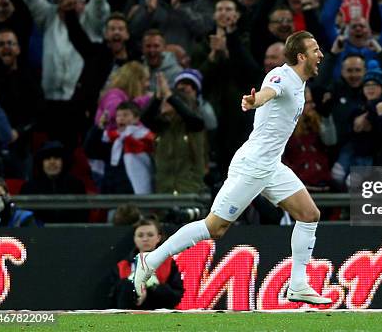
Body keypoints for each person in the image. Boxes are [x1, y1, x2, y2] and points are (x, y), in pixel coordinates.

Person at [133, 31, 332, 305]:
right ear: (301, 56)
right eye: (315, 50)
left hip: (271, 165)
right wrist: (255, 100)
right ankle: (150, 260)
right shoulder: (282, 77)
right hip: (253, 166)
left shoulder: (299, 82)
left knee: (309, 215)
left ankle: (298, 284)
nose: (320, 55)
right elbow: (268, 92)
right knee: (214, 228)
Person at [109, 218, 183, 309]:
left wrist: (153, 286)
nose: (145, 239)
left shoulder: (169, 264)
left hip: (159, 314)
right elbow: (113, 296)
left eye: (150, 235)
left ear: (158, 238)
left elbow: (176, 296)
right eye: (140, 235)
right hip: (128, 314)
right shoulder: (122, 266)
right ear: (135, 239)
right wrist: (132, 283)